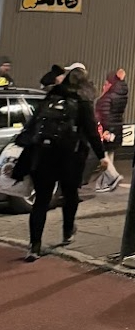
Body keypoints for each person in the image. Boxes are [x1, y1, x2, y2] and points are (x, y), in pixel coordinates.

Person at [17, 66, 109, 261]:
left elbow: (32, 125)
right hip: (69, 157)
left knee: (41, 200)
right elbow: (91, 131)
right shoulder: (82, 101)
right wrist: (102, 156)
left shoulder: (50, 97)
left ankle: (34, 246)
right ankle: (67, 231)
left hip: (43, 155)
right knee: (70, 195)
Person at [94, 68, 129, 189]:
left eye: (106, 83)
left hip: (106, 129)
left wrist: (102, 129)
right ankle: (106, 183)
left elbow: (103, 114)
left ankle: (113, 176)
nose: (104, 86)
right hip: (117, 127)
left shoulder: (107, 97)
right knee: (110, 153)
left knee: (102, 154)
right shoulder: (121, 95)